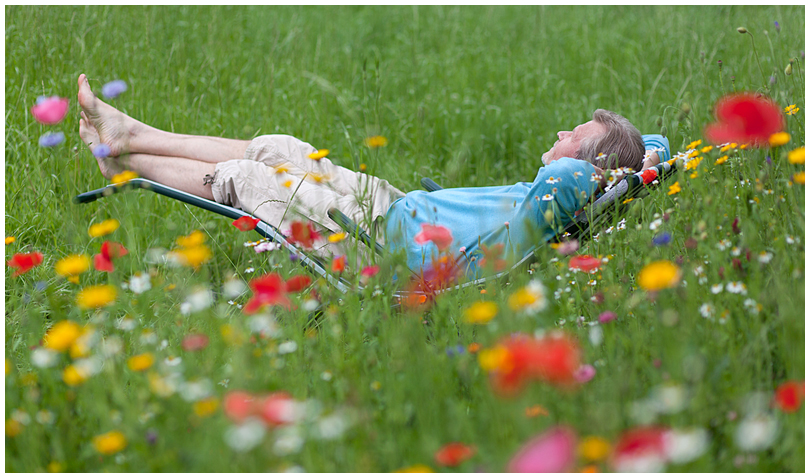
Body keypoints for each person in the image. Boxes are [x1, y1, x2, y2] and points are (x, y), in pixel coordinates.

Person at [76, 74, 667, 279]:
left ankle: (123, 157)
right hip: (392, 207)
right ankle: (130, 136)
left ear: (586, 168)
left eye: (573, 138)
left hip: (377, 247)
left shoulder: (559, 195)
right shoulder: (569, 191)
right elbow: (654, 146)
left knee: (248, 181)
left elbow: (575, 171)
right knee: (281, 147)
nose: (561, 136)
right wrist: (646, 161)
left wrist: (610, 165)